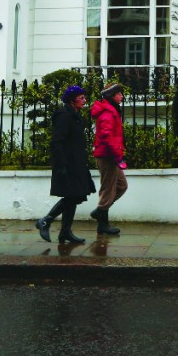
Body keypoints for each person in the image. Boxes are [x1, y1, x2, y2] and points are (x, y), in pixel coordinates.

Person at [35, 85, 96, 244]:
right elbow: (57, 142)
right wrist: (62, 164)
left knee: (75, 196)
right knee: (73, 195)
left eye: (84, 97)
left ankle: (65, 232)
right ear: (71, 100)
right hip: (68, 164)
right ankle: (46, 220)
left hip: (77, 162)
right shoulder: (64, 116)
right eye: (81, 98)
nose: (84, 101)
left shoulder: (75, 115)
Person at [89, 82, 127, 235]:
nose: (122, 96)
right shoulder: (107, 112)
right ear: (111, 96)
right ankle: (102, 222)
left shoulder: (112, 110)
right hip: (107, 156)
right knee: (107, 189)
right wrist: (117, 155)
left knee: (121, 186)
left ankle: (100, 211)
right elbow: (106, 135)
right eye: (119, 94)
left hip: (111, 155)